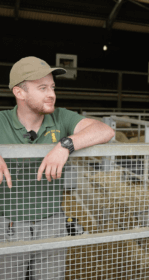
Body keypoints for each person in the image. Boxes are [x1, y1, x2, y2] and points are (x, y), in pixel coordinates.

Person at [0, 56, 115, 280]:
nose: (51, 93)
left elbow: (105, 131)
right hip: (8, 223)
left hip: (51, 222)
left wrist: (66, 145)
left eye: (52, 87)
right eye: (42, 88)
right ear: (19, 93)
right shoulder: (2, 120)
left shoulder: (61, 117)